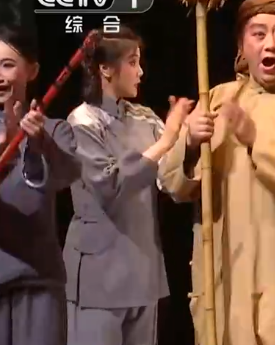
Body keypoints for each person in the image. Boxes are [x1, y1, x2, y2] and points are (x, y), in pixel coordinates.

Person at [159, 0, 275, 345]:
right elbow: (174, 186)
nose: (270, 44)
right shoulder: (217, 99)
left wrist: (256, 141)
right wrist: (189, 143)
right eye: (258, 34)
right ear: (242, 45)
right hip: (227, 283)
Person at [63, 27, 193, 345]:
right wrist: (167, 140)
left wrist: (191, 137)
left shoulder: (144, 118)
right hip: (98, 276)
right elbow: (111, 186)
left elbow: (170, 174)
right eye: (132, 62)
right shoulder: (82, 122)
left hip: (143, 269)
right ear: (106, 69)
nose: (141, 72)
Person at [0, 24, 80, 345]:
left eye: (8, 65)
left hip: (40, 283)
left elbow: (67, 175)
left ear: (32, 71)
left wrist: (39, 143)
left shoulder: (55, 129)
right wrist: (1, 156)